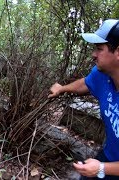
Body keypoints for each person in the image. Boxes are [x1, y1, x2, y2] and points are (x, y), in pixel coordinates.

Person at [48, 19, 119, 179]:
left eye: (99, 49)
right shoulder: (103, 75)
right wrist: (62, 88)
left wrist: (102, 168)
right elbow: (86, 83)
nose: (93, 55)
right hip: (109, 156)